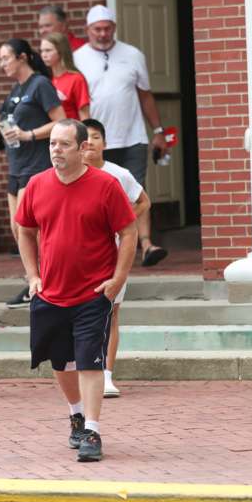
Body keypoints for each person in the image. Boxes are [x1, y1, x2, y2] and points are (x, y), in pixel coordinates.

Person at [16, 119, 137, 462]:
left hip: (92, 293)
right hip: (51, 292)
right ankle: (77, 415)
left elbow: (129, 233)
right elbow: (24, 229)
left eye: (64, 144)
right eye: (52, 143)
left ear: (83, 148)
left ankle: (93, 432)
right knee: (60, 361)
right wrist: (32, 276)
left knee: (89, 361)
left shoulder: (106, 185)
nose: (56, 150)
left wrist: (117, 281)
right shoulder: (37, 185)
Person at [74, 5, 167, 267]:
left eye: (107, 28)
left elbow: (145, 94)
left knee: (136, 189)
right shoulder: (77, 58)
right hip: (94, 140)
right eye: (97, 29)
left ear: (114, 27)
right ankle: (105, 245)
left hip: (132, 136)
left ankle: (146, 244)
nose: (103, 34)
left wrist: (158, 131)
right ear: (88, 30)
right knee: (97, 192)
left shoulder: (133, 54)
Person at [0, 38, 67, 308]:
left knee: (29, 227)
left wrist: (30, 134)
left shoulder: (40, 85)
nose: (2, 63)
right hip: (15, 167)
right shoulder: (16, 90)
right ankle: (34, 280)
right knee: (17, 229)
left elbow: (61, 121)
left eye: (6, 58)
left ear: (23, 57)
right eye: (0, 59)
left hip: (36, 166)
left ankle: (42, 281)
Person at [82, 118, 151, 398]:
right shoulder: (70, 175)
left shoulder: (118, 174)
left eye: (96, 137)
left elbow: (144, 201)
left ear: (105, 143)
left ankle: (106, 374)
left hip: (114, 253)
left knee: (110, 312)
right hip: (81, 254)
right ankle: (86, 370)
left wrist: (124, 224)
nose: (91, 143)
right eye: (86, 138)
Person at [40, 32, 90, 120]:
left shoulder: (76, 79)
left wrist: (87, 133)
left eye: (48, 50)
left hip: (72, 130)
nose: (44, 55)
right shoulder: (46, 80)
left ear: (61, 51)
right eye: (42, 51)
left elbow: (84, 115)